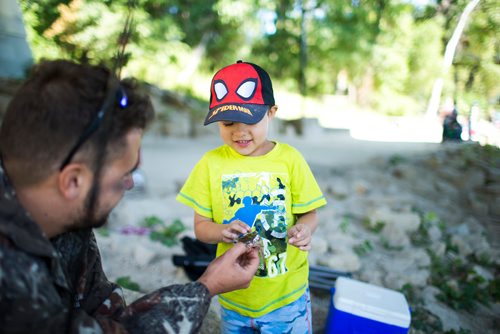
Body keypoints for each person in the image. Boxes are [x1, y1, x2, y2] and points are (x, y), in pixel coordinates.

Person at [0, 60, 259, 333]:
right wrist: (208, 286)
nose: (130, 184)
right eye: (126, 173)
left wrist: (205, 286)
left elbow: (103, 311)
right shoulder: (9, 277)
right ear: (73, 181)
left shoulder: (69, 217)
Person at [176, 60, 327, 332]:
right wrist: (221, 231)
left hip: (286, 296)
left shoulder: (290, 160)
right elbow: (201, 229)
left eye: (250, 120)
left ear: (271, 113)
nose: (239, 131)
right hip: (234, 294)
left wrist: (305, 228)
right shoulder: (211, 164)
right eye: (228, 122)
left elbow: (310, 213)